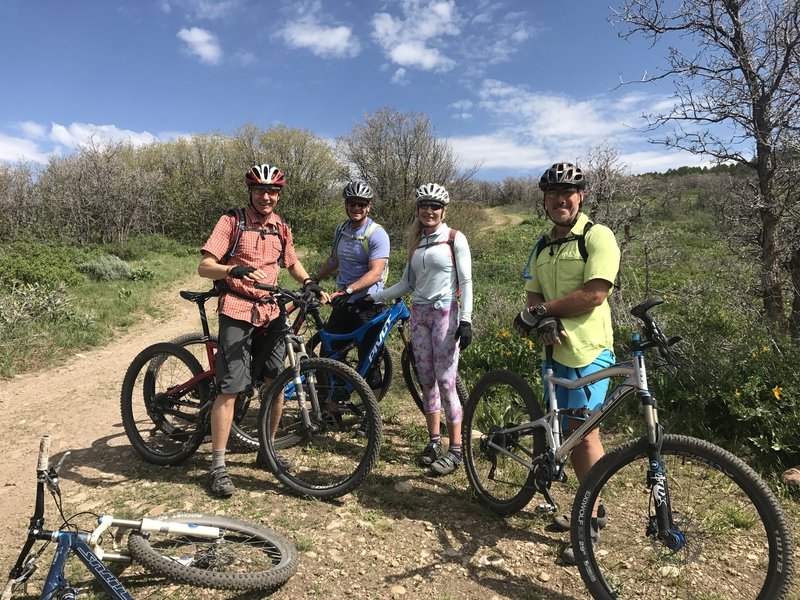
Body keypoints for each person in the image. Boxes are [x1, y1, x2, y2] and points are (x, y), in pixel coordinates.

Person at [198, 163, 328, 498]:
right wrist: (233, 268)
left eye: (272, 191)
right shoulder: (232, 222)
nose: (267, 196)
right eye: (260, 190)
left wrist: (309, 282)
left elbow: (292, 263)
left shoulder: (281, 227)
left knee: (276, 381)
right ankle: (218, 465)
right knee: (230, 388)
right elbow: (205, 266)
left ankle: (265, 451)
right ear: (250, 192)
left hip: (271, 311)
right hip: (237, 309)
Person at [513, 162, 620, 564]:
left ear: (581, 197)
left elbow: (594, 294)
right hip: (553, 354)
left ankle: (587, 524)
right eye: (553, 193)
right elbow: (532, 297)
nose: (561, 199)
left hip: (589, 352)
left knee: (583, 433)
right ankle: (594, 506)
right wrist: (542, 317)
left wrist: (542, 313)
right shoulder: (542, 246)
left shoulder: (597, 236)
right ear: (544, 200)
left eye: (568, 193)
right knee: (571, 433)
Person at [370, 183, 473, 476]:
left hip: (445, 313)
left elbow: (465, 281)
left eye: (435, 206)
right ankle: (433, 442)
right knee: (425, 379)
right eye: (425, 206)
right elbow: (406, 284)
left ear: (444, 210)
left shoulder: (454, 238)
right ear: (417, 209)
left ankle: (456, 450)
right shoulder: (417, 241)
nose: (430, 211)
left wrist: (466, 320)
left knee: (446, 381)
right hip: (419, 314)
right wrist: (372, 296)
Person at [311, 181, 390, 400]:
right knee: (329, 355)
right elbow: (334, 260)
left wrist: (349, 290)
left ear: (369, 207)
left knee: (370, 361)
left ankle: (369, 415)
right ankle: (332, 407)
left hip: (368, 304)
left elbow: (375, 273)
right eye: (352, 203)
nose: (356, 208)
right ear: (346, 205)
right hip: (343, 302)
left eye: (361, 204)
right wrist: (315, 279)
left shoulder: (377, 234)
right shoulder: (342, 229)